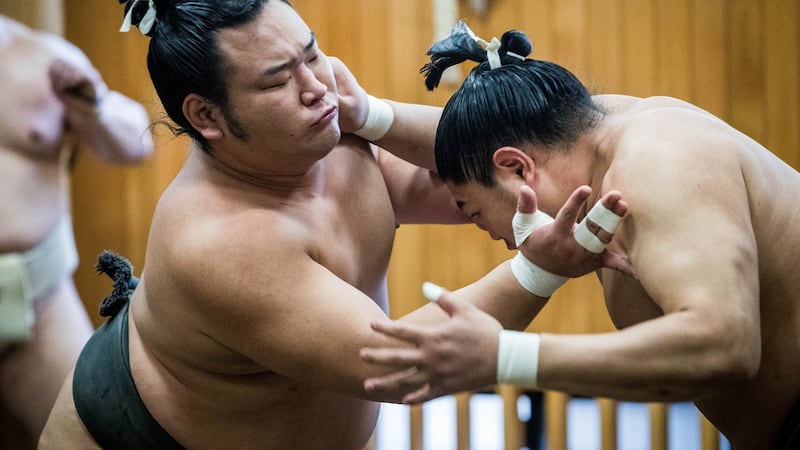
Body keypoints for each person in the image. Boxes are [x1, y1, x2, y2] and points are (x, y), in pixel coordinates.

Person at [37, 2, 633, 449]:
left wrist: (376, 114)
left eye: (313, 53)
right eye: (278, 79)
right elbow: (392, 363)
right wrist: (538, 268)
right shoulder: (217, 240)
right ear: (207, 115)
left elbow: (467, 182)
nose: (317, 87)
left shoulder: (337, 136)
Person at [357, 21, 800, 450]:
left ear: (515, 168)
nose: (493, 234)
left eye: (471, 211)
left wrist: (505, 357)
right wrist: (368, 115)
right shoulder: (592, 130)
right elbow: (484, 133)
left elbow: (727, 346)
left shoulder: (658, 161)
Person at [0, 13, 153, 449]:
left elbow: (137, 143)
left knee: (94, 435)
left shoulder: (38, 59)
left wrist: (93, 107)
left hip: (38, 299)